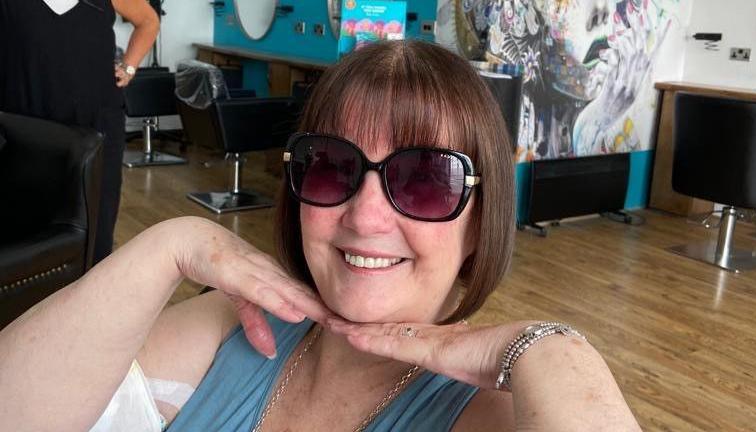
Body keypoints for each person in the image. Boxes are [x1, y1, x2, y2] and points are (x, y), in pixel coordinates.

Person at [0, 40, 641, 431]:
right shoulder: (238, 326)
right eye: (332, 168)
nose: (365, 217)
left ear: (480, 221)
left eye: (423, 181)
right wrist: (174, 243)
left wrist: (552, 349)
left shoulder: (485, 414)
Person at [0, 0, 160, 263]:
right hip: (24, 126)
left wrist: (129, 67)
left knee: (95, 224)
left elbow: (148, 21)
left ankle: (90, 296)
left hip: (95, 125)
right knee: (23, 229)